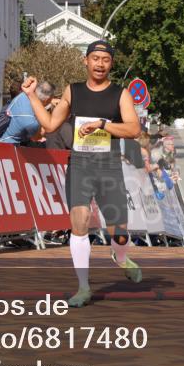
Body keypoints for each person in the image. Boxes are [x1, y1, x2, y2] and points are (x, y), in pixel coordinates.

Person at [22, 40, 142, 308]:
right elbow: (51, 124)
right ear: (85, 61)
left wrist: (102, 124)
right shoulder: (73, 91)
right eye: (95, 58)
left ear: (111, 64)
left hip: (109, 166)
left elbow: (134, 129)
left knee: (119, 233)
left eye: (106, 60)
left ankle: (121, 257)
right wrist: (32, 96)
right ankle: (84, 287)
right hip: (80, 165)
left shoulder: (120, 94)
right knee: (80, 219)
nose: (100, 64)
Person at [0, 80, 55, 145]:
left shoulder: (24, 95)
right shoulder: (31, 121)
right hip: (9, 148)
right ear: (47, 99)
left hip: (2, 139)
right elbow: (37, 137)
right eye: (51, 99)